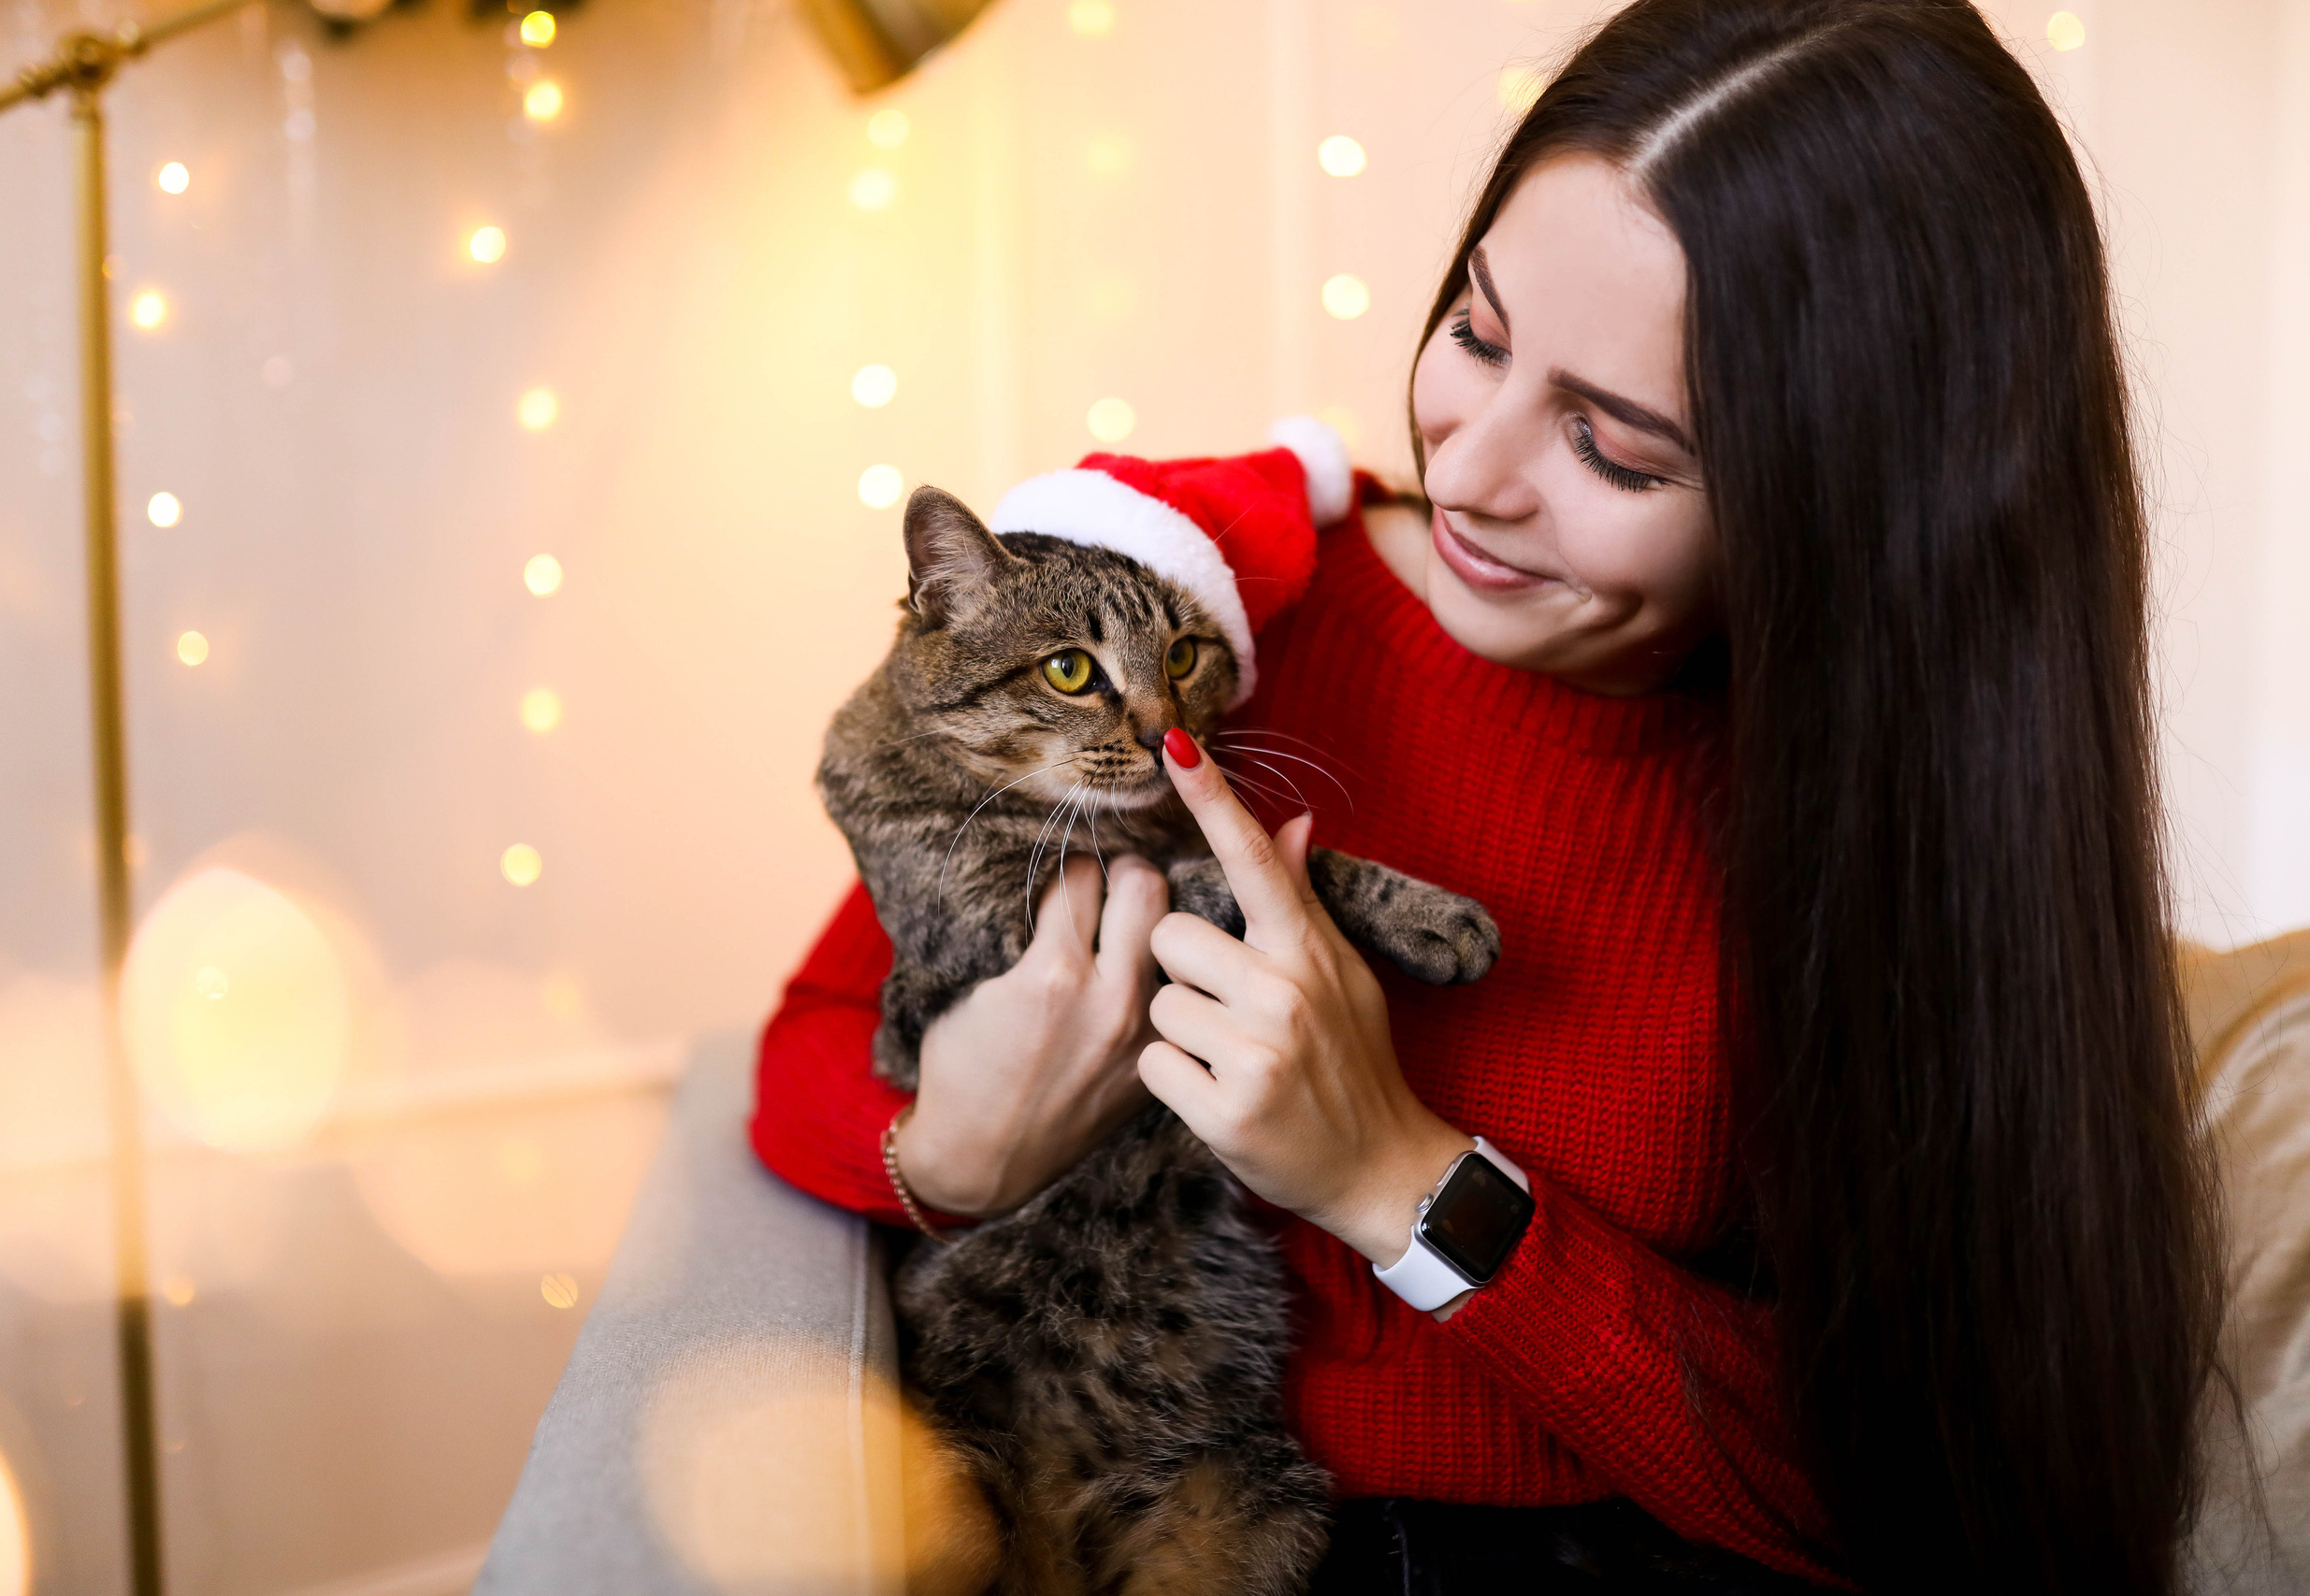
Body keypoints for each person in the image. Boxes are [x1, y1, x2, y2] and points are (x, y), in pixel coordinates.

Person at [752, 0, 2224, 1589]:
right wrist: (953, 1156)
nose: (1467, 471)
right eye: (1478, 332)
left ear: (1848, 509)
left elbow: (1929, 1489)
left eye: (1614, 447)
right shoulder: (1213, 623)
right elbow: (806, 1049)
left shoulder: (1912, 839)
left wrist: (1399, 1177)